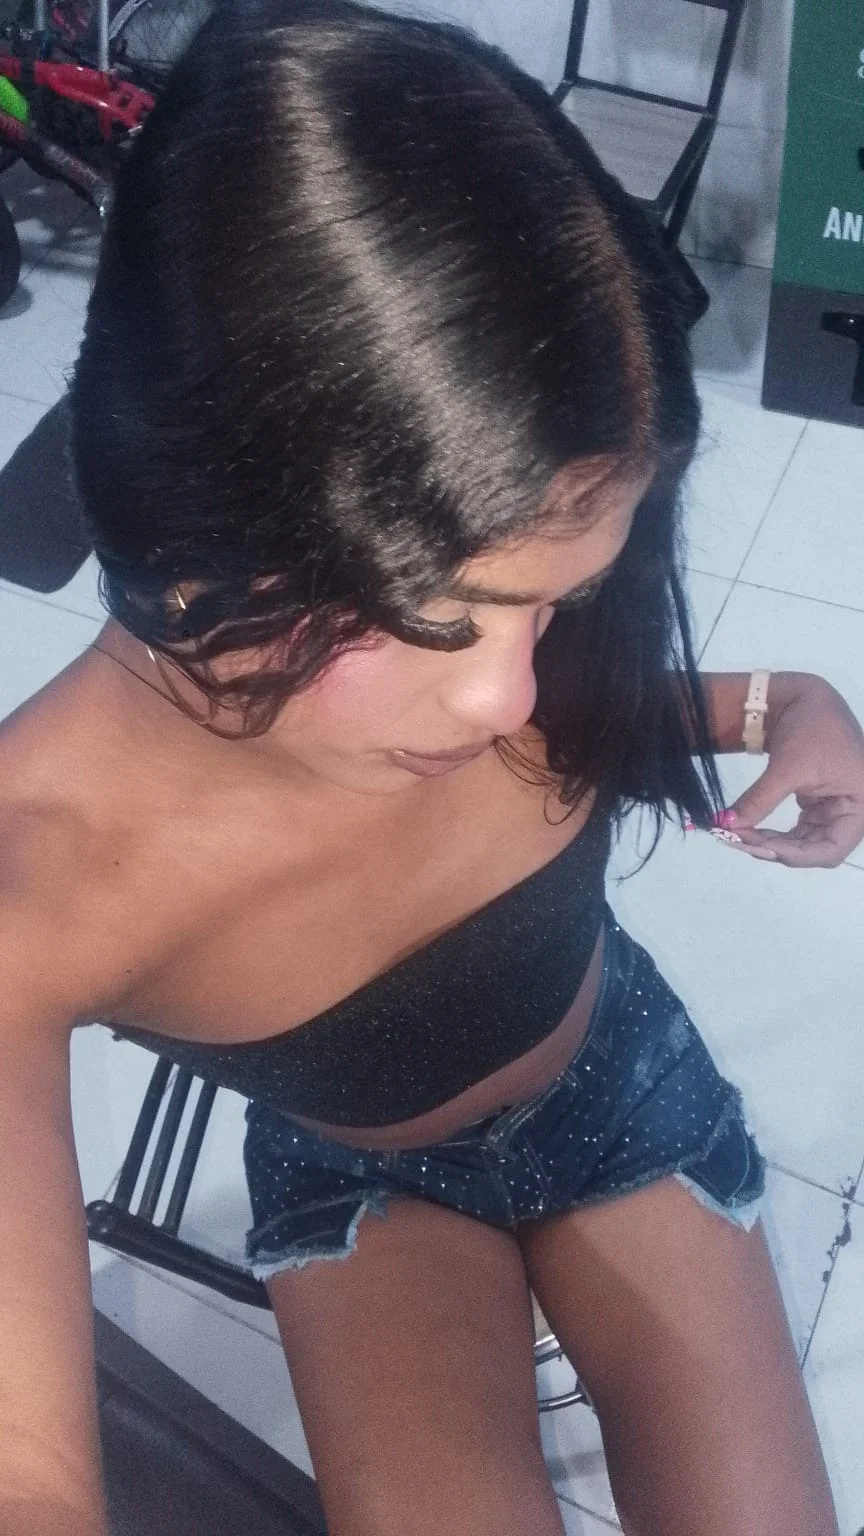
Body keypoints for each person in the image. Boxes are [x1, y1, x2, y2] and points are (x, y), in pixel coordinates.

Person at [1, 3, 862, 1533]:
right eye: (437, 615)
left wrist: (774, 701)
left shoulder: (482, 671)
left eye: (558, 603)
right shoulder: (33, 888)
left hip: (622, 1081)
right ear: (196, 525)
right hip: (364, 1186)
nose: (504, 691)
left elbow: (565, 712)